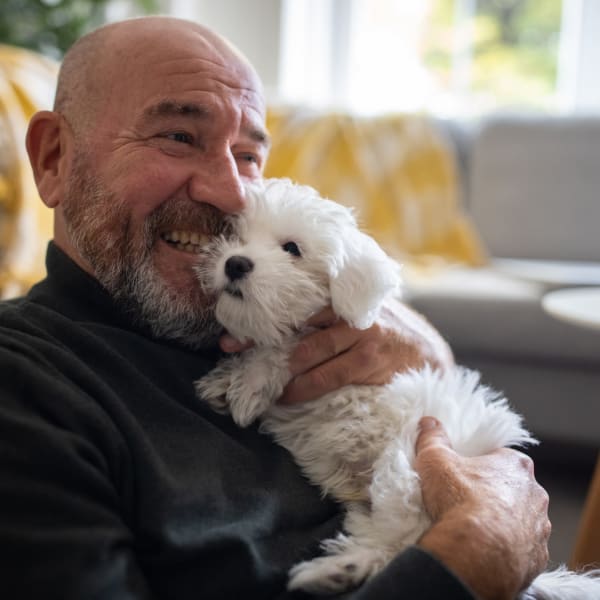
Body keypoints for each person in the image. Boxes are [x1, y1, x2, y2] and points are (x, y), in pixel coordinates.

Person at [0, 16, 550, 600]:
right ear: (54, 158)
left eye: (247, 155)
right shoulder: (28, 388)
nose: (233, 192)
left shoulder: (278, 319)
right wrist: (471, 558)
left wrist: (426, 349)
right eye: (180, 137)